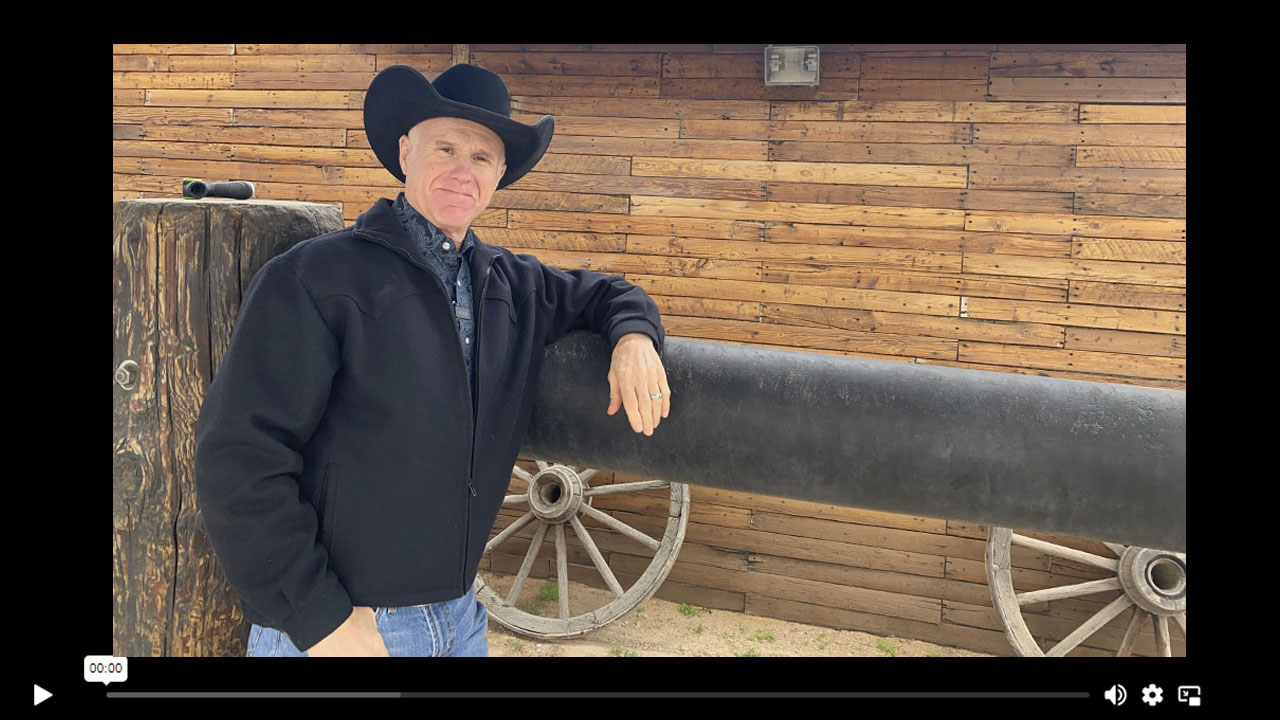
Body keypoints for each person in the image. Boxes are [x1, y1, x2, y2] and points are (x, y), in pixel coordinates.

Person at [193, 64, 671, 657]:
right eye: (445, 147)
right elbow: (238, 456)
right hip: (345, 626)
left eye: (482, 157)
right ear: (405, 152)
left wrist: (633, 337)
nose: (462, 171)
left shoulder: (516, 285)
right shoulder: (315, 278)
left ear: (499, 175)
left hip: (461, 619)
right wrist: (317, 617)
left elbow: (611, 294)